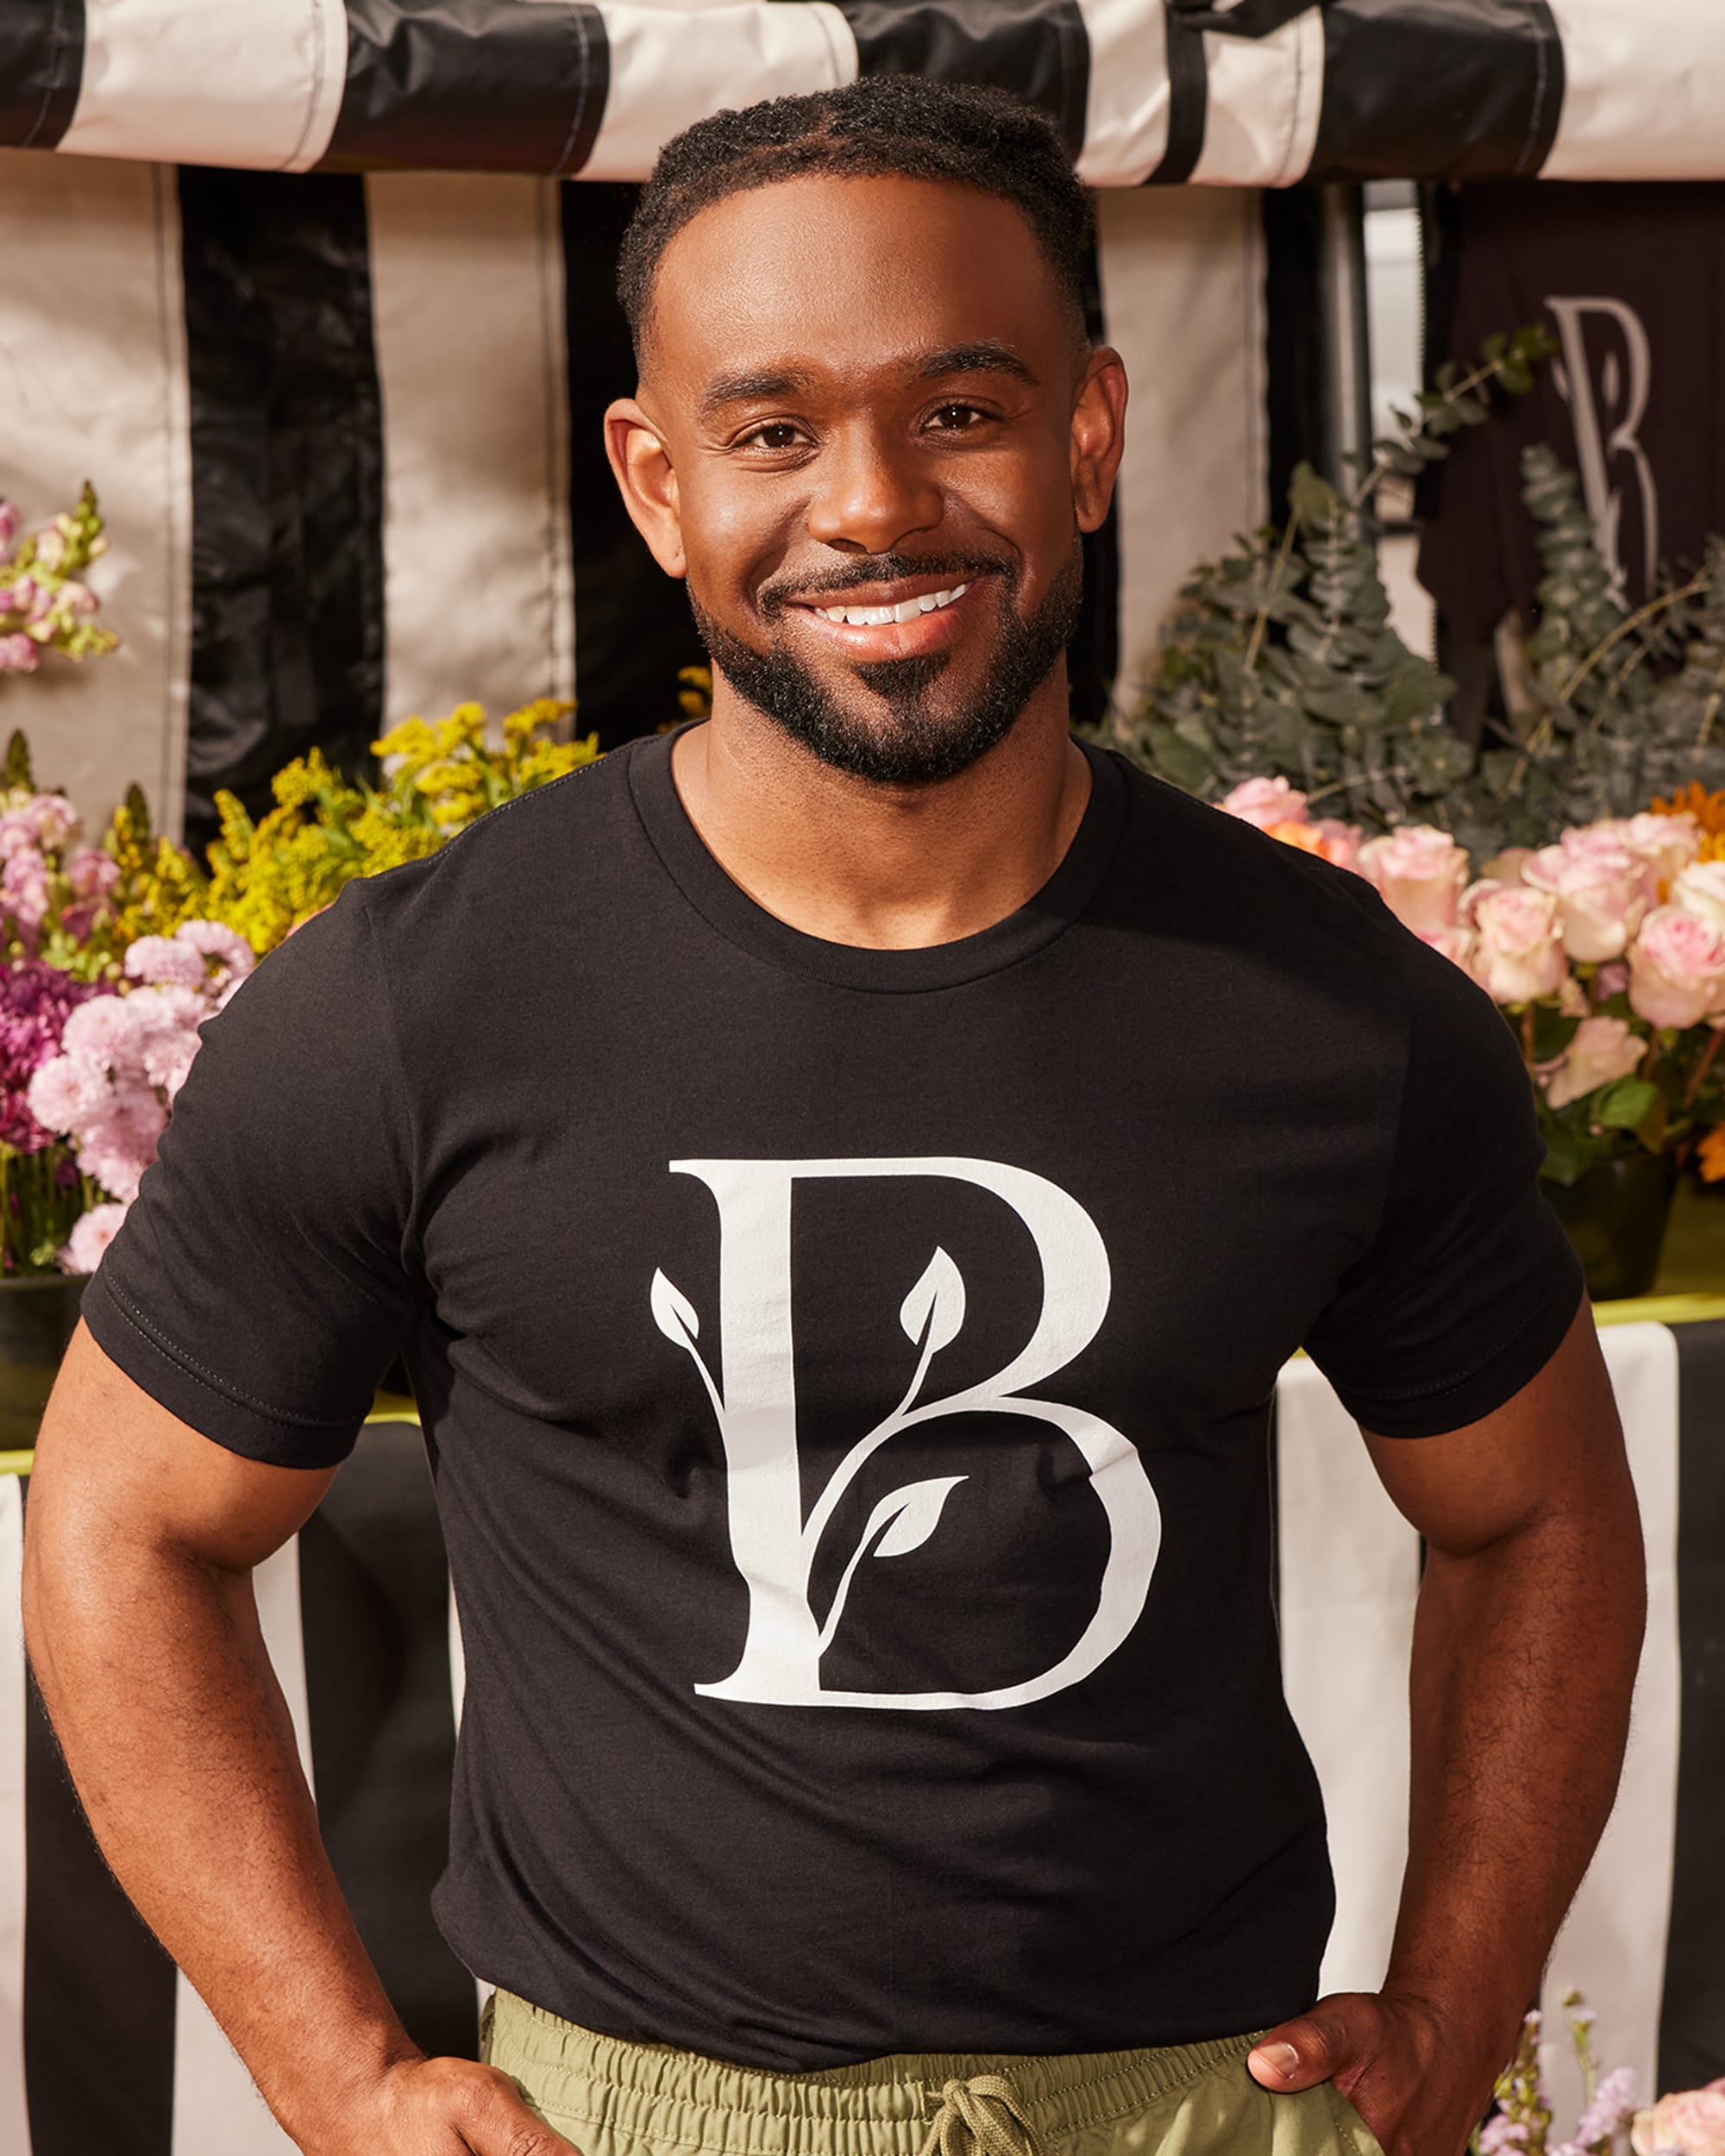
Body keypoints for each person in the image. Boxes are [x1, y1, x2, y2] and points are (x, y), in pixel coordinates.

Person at [23, 75, 1644, 2156]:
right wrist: (335, 2073)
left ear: (1089, 434)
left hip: (1202, 2105)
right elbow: (123, 1522)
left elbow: (1534, 1513)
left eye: (958, 408)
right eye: (771, 429)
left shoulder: (1331, 1006)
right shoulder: (417, 1001)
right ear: (655, 480)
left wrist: (1462, 1993)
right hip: (625, 2121)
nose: (871, 505)